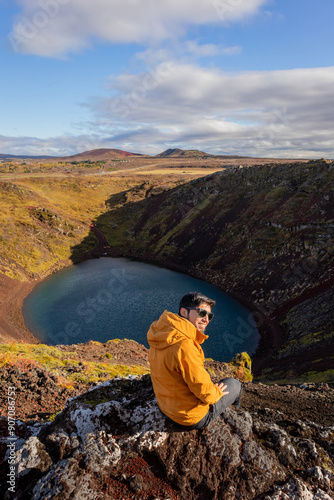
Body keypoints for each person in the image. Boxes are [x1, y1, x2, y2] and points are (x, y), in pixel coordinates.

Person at [147, 291, 242, 430]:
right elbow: (206, 394)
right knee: (235, 384)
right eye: (202, 313)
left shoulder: (162, 333)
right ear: (184, 312)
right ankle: (237, 418)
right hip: (188, 418)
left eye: (210, 315)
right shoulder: (185, 345)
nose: (207, 319)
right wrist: (216, 392)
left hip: (164, 407)